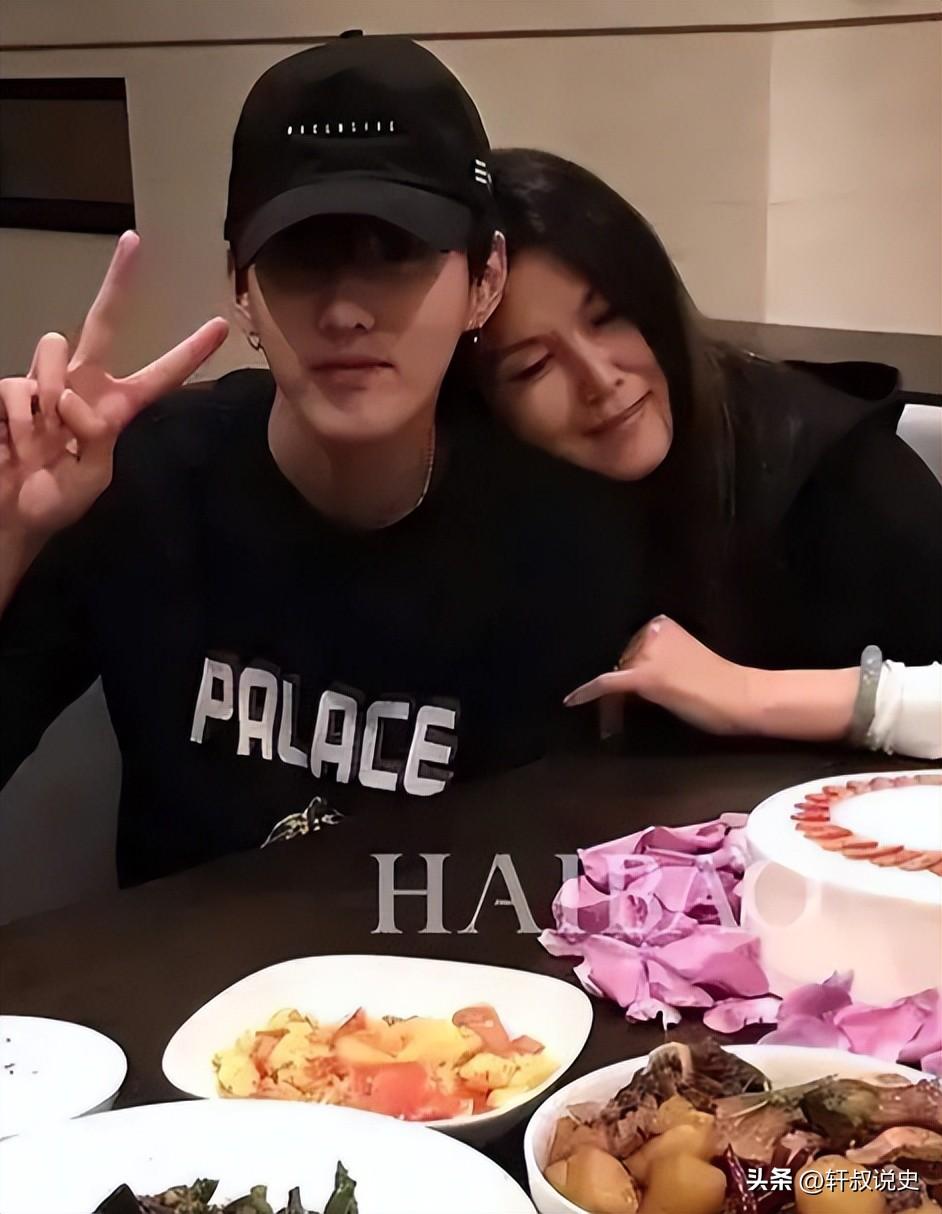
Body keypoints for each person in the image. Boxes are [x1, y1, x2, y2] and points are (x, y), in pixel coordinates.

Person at [0, 37, 634, 885]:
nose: (344, 313)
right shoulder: (140, 481)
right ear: (241, 285)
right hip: (183, 966)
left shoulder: (552, 536)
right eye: (302, 258)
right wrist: (10, 534)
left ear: (485, 280)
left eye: (397, 254)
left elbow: (557, 871)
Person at [479, 148, 942, 759]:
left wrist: (748, 693)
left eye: (610, 317)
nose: (599, 379)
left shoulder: (835, 470)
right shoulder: (492, 510)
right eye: (534, 365)